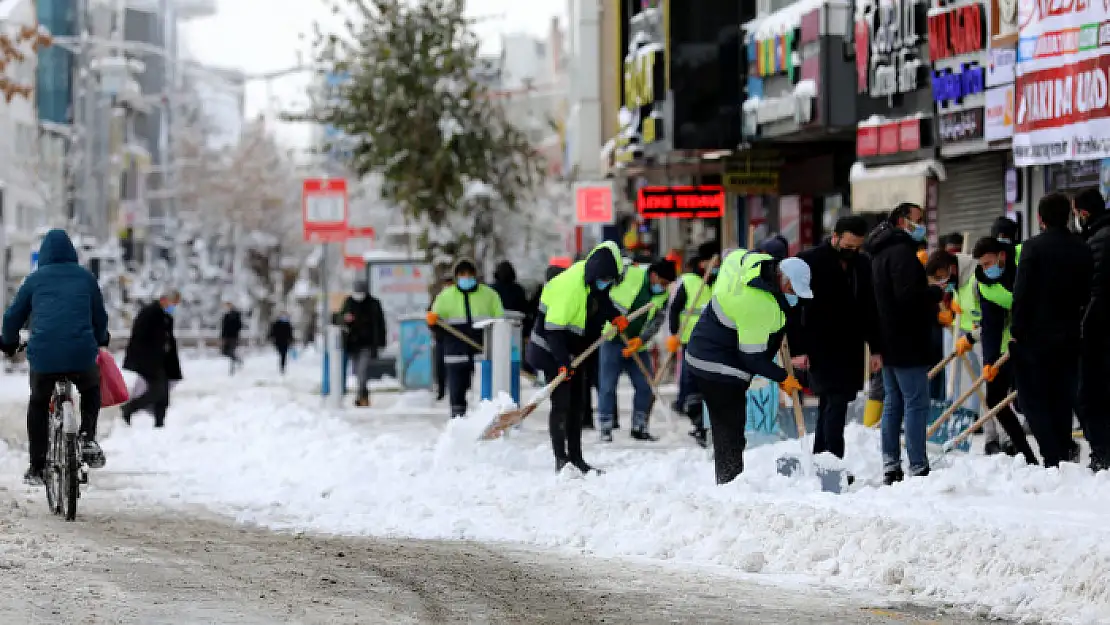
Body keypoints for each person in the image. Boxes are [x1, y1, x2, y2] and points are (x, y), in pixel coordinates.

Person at [685, 249, 812, 484]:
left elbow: (735, 255)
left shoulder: (758, 263)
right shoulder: (757, 304)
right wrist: (782, 376)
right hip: (716, 364)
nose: (794, 296)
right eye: (792, 290)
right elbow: (752, 358)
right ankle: (730, 484)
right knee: (730, 429)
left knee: (729, 427)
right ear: (782, 279)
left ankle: (730, 480)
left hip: (708, 347)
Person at [0, 229, 110, 485]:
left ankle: (37, 467)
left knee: (39, 402)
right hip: (81, 353)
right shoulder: (86, 278)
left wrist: (8, 343)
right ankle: (87, 437)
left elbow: (11, 317)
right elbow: (100, 317)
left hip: (44, 355)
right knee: (91, 388)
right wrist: (101, 338)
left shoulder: (34, 280)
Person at [526, 241, 627, 474]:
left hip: (573, 352)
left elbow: (601, 302)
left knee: (578, 405)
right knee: (562, 404)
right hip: (550, 349)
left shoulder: (593, 279)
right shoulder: (569, 287)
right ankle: (561, 460)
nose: (606, 285)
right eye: (605, 280)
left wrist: (614, 317)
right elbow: (554, 330)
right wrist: (562, 362)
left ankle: (577, 459)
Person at [790, 216, 882, 462]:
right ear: (835, 237)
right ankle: (832, 459)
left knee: (831, 403)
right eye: (847, 245)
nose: (851, 251)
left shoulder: (862, 264)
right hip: (820, 345)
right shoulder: (810, 261)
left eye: (856, 247)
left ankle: (822, 456)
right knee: (835, 402)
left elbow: (869, 308)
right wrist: (797, 348)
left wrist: (875, 349)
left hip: (850, 347)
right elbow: (794, 307)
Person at [1012, 193, 1093, 468]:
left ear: (1040, 218)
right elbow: (1086, 292)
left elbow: (1021, 294)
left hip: (1036, 337)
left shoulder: (1032, 249)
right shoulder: (1081, 247)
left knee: (1034, 398)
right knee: (1062, 395)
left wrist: (1017, 329)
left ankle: (1052, 454)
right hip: (1070, 333)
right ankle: (1064, 448)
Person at [866, 203, 943, 484]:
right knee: (915, 402)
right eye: (917, 220)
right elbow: (909, 298)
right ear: (902, 222)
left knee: (893, 402)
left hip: (888, 340)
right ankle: (918, 465)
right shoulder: (903, 254)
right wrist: (933, 292)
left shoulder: (878, 253)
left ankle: (891, 463)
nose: (921, 226)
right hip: (907, 340)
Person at [956, 237, 1038, 464]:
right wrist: (989, 361)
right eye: (982, 265)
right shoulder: (985, 283)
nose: (985, 269)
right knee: (995, 400)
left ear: (1002, 255)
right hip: (1007, 344)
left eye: (988, 263)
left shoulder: (1024, 256)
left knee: (1030, 400)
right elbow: (991, 324)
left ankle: (1058, 450)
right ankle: (1026, 455)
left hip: (1038, 338)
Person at [596, 259, 676, 442]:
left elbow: (657, 320)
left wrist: (641, 340)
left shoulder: (662, 295)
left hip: (637, 345)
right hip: (612, 338)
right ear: (654, 275)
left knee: (644, 385)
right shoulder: (630, 274)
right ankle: (605, 427)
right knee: (607, 386)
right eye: (662, 283)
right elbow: (605, 294)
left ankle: (639, 426)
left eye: (667, 285)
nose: (663, 288)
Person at [426, 259, 504, 419]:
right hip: (455, 353)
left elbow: (500, 322)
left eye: (469, 274)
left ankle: (485, 422)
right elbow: (436, 325)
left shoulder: (489, 295)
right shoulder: (445, 297)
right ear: (456, 277)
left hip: (482, 353)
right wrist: (433, 323)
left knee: (484, 393)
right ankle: (458, 422)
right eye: (462, 274)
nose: (466, 277)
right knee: (457, 392)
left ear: (475, 275)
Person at [666, 241, 720, 447]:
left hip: (712, 340)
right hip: (690, 339)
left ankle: (701, 417)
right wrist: (673, 334)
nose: (714, 267)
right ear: (703, 262)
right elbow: (675, 308)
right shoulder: (688, 281)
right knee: (690, 379)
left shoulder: (718, 281)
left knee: (705, 380)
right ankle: (692, 413)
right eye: (711, 263)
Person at [1075, 187, 1110, 472]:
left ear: (1084, 213)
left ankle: (1102, 454)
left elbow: (1096, 293)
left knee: (1091, 396)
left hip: (1099, 332)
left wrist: (1084, 330)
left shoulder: (1097, 242)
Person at [121, 290, 183, 429]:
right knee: (157, 390)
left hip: (162, 361)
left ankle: (159, 423)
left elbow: (168, 340)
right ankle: (129, 408)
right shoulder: (149, 313)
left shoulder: (166, 317)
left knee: (164, 394)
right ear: (165, 300)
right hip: (148, 361)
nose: (173, 307)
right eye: (173, 303)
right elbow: (139, 337)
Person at [340, 280, 386, 407]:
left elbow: (380, 325)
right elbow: (340, 317)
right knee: (357, 372)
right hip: (352, 344)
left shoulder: (373, 304)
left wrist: (380, 343)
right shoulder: (349, 302)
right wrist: (345, 319)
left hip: (367, 344)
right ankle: (362, 396)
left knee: (362, 371)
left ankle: (362, 397)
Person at [219, 302, 244, 375]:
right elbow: (223, 327)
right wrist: (222, 337)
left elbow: (239, 325)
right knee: (224, 352)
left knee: (231, 351)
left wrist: (235, 331)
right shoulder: (226, 315)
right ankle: (238, 360)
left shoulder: (236, 314)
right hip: (227, 337)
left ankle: (232, 369)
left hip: (234, 337)